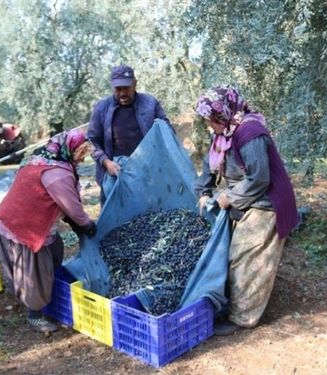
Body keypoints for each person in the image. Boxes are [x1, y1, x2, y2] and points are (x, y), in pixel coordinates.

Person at [194, 85, 298, 335]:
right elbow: (208, 170)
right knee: (227, 251)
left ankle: (243, 317)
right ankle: (236, 299)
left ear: (223, 113)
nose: (210, 125)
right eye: (207, 120)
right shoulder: (220, 133)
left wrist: (228, 197)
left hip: (267, 201)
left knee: (244, 255)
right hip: (246, 198)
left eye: (211, 120)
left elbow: (259, 178)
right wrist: (204, 192)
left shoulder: (249, 131)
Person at [0, 129, 96, 333]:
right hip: (25, 227)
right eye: (81, 153)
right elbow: (73, 209)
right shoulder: (57, 174)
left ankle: (50, 289)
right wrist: (87, 226)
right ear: (70, 149)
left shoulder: (44, 159)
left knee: (56, 248)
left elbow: (61, 205)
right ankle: (35, 315)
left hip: (10, 217)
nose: (82, 159)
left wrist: (78, 225)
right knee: (37, 270)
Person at [87, 64, 171, 204]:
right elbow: (91, 141)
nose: (122, 93)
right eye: (118, 89)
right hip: (115, 175)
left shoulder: (150, 103)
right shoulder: (101, 108)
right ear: (112, 87)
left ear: (135, 84)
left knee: (149, 217)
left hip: (148, 175)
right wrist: (107, 163)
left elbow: (166, 129)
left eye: (126, 88)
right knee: (117, 221)